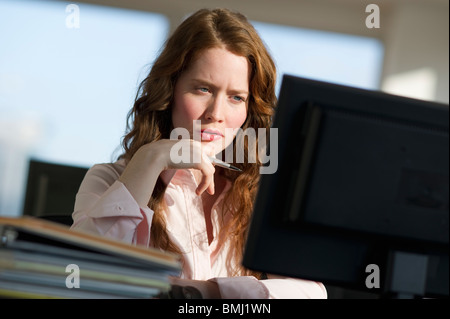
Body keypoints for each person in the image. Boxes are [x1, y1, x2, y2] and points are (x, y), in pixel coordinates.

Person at [71, 8, 327, 299]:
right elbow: (83, 273)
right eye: (203, 89)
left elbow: (311, 292)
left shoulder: (257, 190)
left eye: (236, 97)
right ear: (169, 91)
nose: (216, 114)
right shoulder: (109, 179)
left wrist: (209, 293)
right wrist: (150, 159)